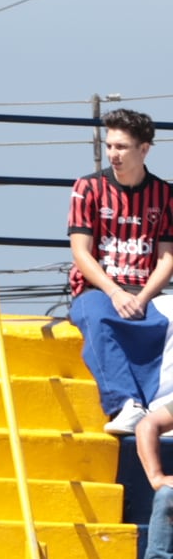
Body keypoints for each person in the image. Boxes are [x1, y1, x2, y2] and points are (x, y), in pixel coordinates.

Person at [70, 107, 173, 434]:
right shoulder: (87, 188)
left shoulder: (165, 194)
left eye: (122, 147)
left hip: (146, 291)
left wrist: (141, 298)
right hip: (98, 289)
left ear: (144, 149)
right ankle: (126, 404)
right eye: (110, 146)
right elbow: (80, 253)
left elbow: (167, 258)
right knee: (96, 317)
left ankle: (163, 410)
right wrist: (114, 292)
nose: (113, 154)